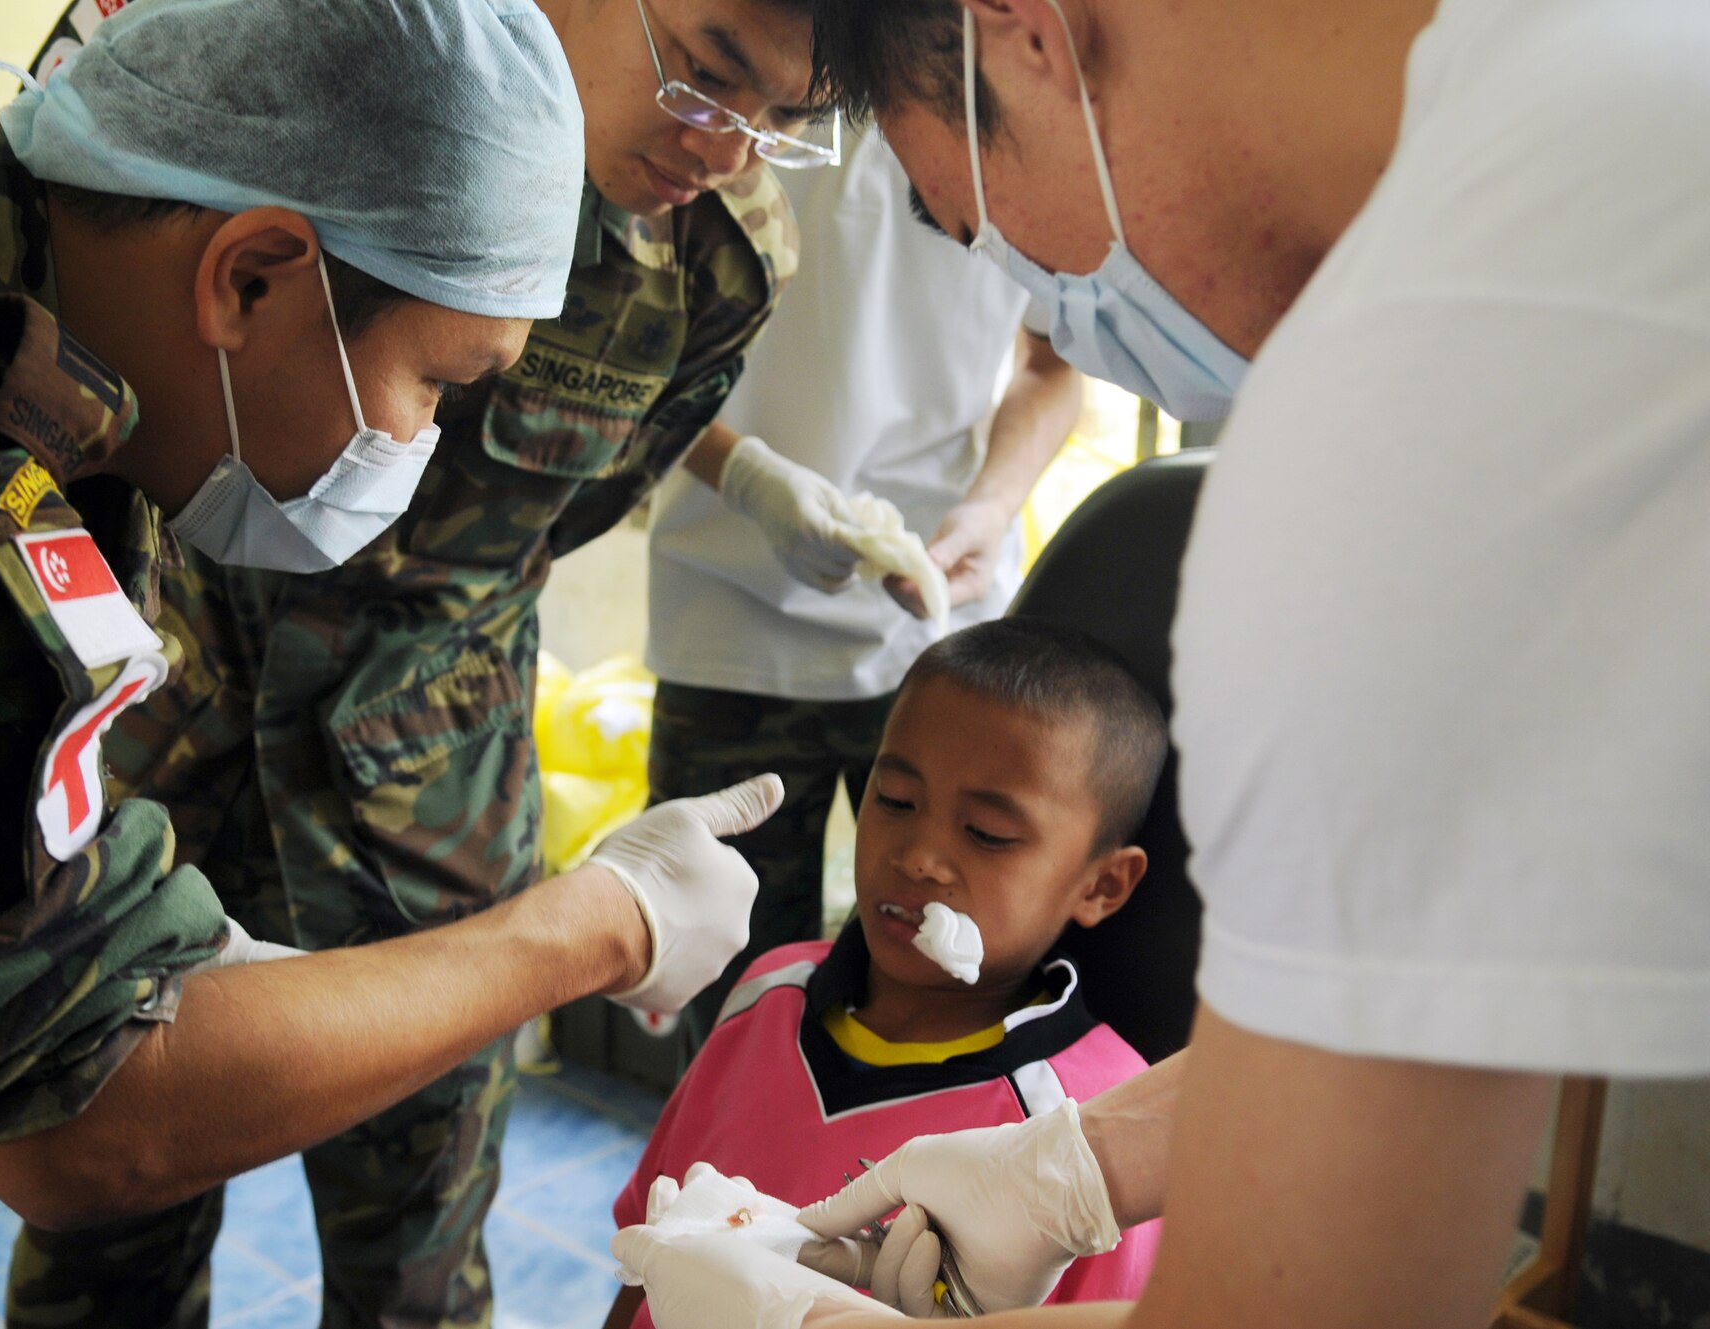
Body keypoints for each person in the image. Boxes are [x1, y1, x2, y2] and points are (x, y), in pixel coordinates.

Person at [611, 0, 1710, 1324]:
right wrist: (1084, 1166)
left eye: (988, 232)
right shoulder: (1609, 82)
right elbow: (1388, 1034)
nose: (1061, 330)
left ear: (1024, 33)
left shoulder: (1422, 416)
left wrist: (806, 1317)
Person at [0, 3, 787, 1325]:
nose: (422, 444)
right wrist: (595, 925)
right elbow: (83, 1121)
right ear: (252, 278)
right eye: (437, 386)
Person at [644, 118, 1083, 1043]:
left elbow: (1053, 362)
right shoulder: (752, 80)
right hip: (731, 625)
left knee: (951, 991)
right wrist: (750, 479)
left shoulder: (1025, 109)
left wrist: (993, 507)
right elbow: (624, 350)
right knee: (729, 1012)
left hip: (936, 631)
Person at [607, 620, 1167, 1329]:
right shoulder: (767, 992)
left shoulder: (1096, 1126)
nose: (922, 854)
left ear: (1103, 885)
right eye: (897, 799)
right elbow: (649, 1250)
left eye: (988, 834)